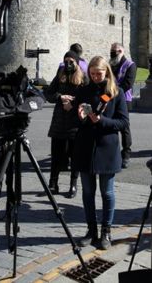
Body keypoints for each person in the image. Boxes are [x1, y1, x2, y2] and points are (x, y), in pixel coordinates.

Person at [72, 56, 129, 250]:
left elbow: (122, 122)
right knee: (88, 192)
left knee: (107, 192)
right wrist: (79, 117)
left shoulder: (116, 92)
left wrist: (101, 120)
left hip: (107, 148)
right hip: (85, 147)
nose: (95, 77)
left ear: (107, 72)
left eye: (99, 73)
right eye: (92, 74)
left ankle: (106, 231)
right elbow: (76, 118)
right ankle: (91, 230)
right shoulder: (84, 91)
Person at [44, 50, 88, 198]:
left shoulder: (83, 77)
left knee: (74, 155)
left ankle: (73, 184)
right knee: (56, 154)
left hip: (75, 122)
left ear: (76, 62)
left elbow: (87, 99)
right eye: (66, 61)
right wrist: (60, 97)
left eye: (71, 62)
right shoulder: (60, 74)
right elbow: (48, 94)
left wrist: (73, 103)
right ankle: (53, 183)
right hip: (59, 121)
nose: (68, 64)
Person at [109, 43, 136, 168]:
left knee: (124, 128)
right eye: (111, 51)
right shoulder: (110, 64)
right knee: (109, 126)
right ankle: (112, 153)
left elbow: (128, 84)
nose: (113, 53)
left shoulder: (130, 65)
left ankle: (126, 154)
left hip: (124, 99)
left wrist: (114, 92)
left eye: (115, 51)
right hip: (109, 99)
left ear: (121, 51)